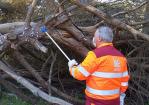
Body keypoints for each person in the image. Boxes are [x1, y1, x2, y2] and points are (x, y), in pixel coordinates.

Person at [68, 26, 129, 105]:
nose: (93, 38)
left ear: (99, 38)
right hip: (115, 101)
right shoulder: (121, 57)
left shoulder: (95, 55)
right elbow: (124, 83)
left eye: (94, 36)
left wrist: (72, 67)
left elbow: (79, 74)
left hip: (96, 102)